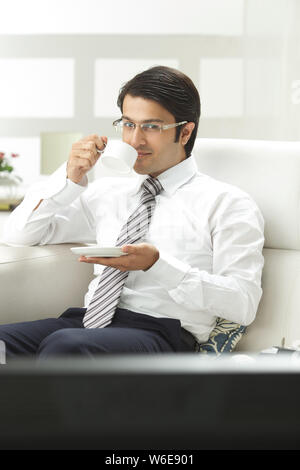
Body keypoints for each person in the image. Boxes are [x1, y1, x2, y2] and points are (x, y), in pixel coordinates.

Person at [1, 65, 264, 360]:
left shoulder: (227, 203)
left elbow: (243, 303)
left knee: (66, 346)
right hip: (87, 323)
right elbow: (19, 235)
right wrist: (69, 176)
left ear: (185, 131)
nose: (135, 140)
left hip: (163, 334)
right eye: (128, 124)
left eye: (151, 127)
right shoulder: (107, 193)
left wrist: (157, 265)